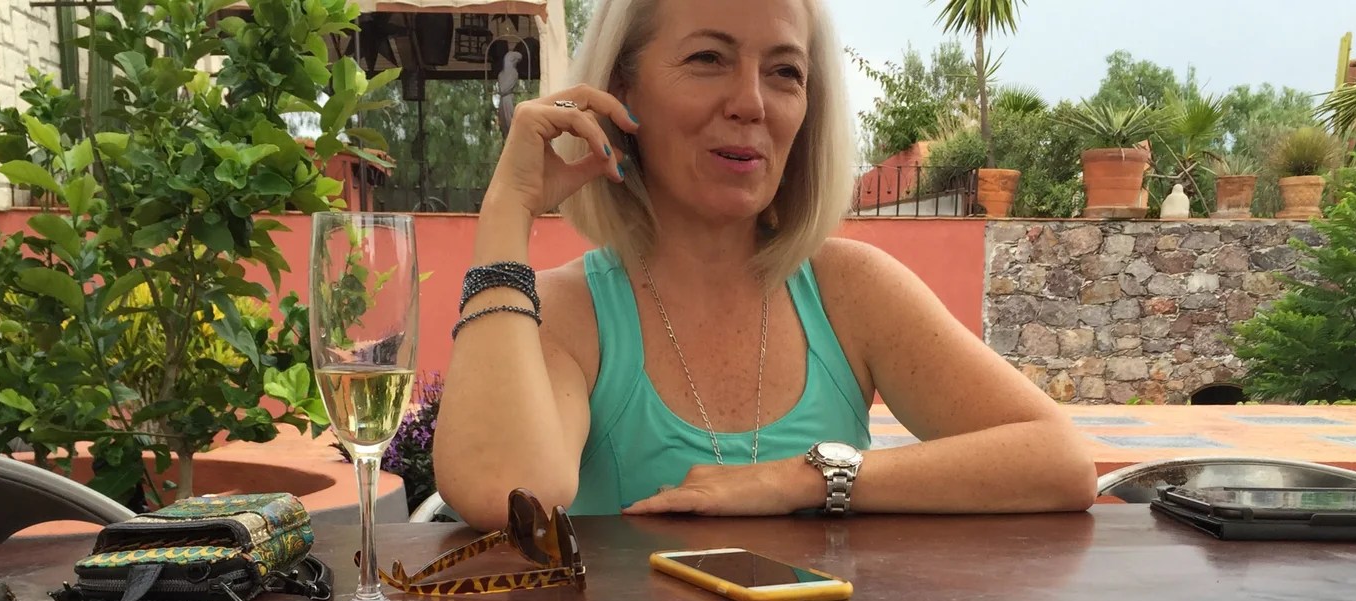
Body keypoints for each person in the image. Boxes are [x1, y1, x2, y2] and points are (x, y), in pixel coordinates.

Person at [432, 0, 1098, 530]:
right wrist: (507, 210)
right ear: (618, 90)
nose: (751, 102)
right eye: (708, 58)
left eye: (784, 72)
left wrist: (799, 479)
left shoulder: (850, 289)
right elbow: (505, 495)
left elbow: (1059, 461)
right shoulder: (570, 314)